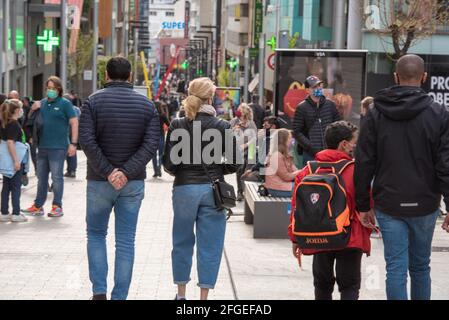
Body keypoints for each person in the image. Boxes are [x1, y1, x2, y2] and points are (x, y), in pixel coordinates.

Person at [354, 54, 449, 300]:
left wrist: (363, 204)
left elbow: (364, 161)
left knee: (395, 267)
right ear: (424, 77)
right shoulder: (439, 113)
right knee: (420, 267)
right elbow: (445, 164)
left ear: (395, 77)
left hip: (389, 202)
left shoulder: (375, 113)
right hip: (426, 202)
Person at [79, 57, 160, 300]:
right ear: (130, 76)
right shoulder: (148, 106)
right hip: (132, 183)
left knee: (96, 234)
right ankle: (120, 296)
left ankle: (99, 292)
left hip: (98, 181)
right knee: (125, 241)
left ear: (106, 75)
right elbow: (151, 145)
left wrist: (108, 171)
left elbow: (87, 141)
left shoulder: (92, 103)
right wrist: (125, 172)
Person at [163, 77, 239, 301]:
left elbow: (168, 164)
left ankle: (181, 294)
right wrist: (216, 170)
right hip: (212, 191)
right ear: (210, 97)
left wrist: (183, 172)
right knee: (210, 245)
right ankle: (203, 298)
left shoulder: (178, 124)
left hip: (184, 189)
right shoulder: (222, 126)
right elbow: (235, 163)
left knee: (181, 241)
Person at [289, 121, 372, 300]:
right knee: (349, 285)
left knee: (322, 283)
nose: (355, 146)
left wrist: (295, 237)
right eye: (354, 142)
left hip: (317, 234)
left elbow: (296, 206)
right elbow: (366, 203)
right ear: (343, 144)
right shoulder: (355, 170)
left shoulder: (307, 170)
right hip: (349, 235)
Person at [21, 76, 78, 218]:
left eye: (53, 88)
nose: (50, 91)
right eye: (48, 88)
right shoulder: (42, 103)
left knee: (57, 178)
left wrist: (73, 144)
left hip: (59, 147)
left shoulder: (65, 104)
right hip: (43, 146)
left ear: (59, 89)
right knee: (41, 178)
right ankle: (38, 206)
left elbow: (74, 123)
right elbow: (30, 121)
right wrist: (32, 109)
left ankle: (57, 206)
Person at [292, 75, 341, 166]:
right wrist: (310, 146)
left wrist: (334, 145)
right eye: (314, 87)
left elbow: (338, 126)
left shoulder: (330, 105)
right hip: (311, 154)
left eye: (319, 85)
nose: (318, 88)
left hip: (329, 152)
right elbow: (296, 131)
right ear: (307, 90)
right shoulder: (302, 107)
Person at [0, 99, 28, 223]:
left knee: (6, 186)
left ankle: (4, 212)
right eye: (20, 108)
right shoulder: (14, 125)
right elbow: (11, 143)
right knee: (16, 187)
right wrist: (16, 161)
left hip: (6, 161)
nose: (22, 110)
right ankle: (16, 213)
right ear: (16, 110)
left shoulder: (4, 123)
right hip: (14, 159)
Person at [230, 103, 258, 201]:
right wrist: (234, 129)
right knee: (239, 170)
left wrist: (246, 145)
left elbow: (254, 137)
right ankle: (239, 192)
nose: (238, 112)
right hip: (238, 149)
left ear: (244, 113)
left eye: (240, 110)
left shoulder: (251, 123)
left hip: (250, 149)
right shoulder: (234, 121)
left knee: (247, 170)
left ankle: (247, 190)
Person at [264, 129, 300, 197]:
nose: (292, 140)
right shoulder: (276, 156)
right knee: (304, 189)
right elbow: (286, 177)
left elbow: (294, 170)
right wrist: (300, 172)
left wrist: (300, 172)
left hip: (284, 185)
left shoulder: (285, 154)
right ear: (283, 141)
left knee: (306, 187)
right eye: (289, 138)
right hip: (277, 188)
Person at [64, 94, 81, 178]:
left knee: (66, 151)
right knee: (73, 151)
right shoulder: (76, 109)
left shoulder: (64, 108)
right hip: (75, 131)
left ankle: (70, 170)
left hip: (66, 130)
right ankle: (72, 170)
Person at [152, 101, 170, 178]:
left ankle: (155, 171)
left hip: (152, 137)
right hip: (161, 136)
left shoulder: (152, 115)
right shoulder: (162, 115)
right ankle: (159, 168)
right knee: (160, 154)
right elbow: (169, 124)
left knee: (153, 155)